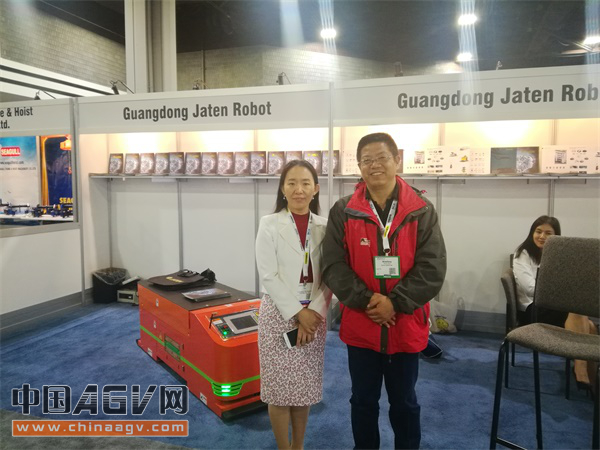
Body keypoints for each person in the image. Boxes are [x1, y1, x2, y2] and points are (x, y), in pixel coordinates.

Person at [322, 132, 447, 449]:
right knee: (362, 401)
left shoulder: (421, 210)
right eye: (367, 160)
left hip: (404, 324)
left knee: (404, 403)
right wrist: (368, 301)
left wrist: (395, 303)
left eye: (381, 158)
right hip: (361, 324)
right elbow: (333, 264)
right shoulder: (343, 210)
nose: (374, 165)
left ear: (397, 161)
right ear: (359, 166)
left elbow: (432, 267)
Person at [255, 159, 331, 449]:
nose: (299, 189)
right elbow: (268, 275)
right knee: (278, 391)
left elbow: (332, 275)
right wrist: (299, 313)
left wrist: (314, 312)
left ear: (316, 189)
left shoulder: (326, 227)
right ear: (283, 188)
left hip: (315, 315)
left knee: (303, 388)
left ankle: (298, 446)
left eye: (305, 183)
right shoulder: (269, 224)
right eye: (292, 183)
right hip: (279, 314)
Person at [513, 215, 598, 390]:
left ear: (556, 236)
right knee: (578, 310)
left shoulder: (558, 256)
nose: (542, 236)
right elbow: (529, 289)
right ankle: (582, 372)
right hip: (533, 309)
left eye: (548, 233)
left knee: (587, 323)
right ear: (532, 232)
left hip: (553, 308)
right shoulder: (523, 254)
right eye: (538, 231)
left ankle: (590, 380)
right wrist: (559, 294)